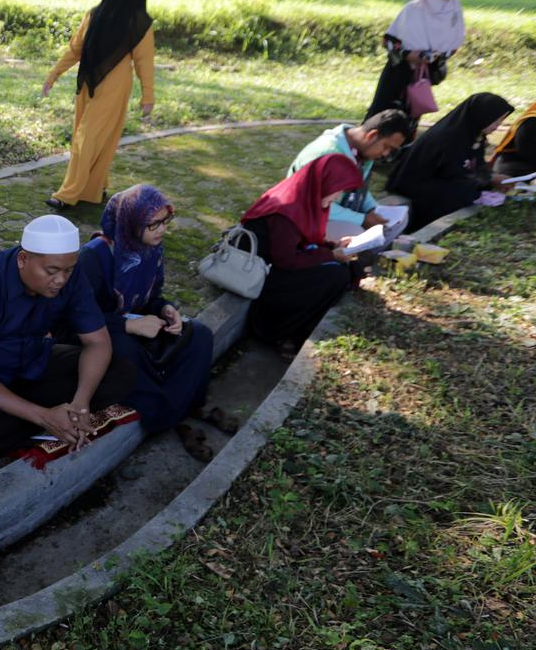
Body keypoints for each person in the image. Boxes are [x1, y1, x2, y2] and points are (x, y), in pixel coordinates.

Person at [0, 214, 135, 452]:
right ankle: (45, 417)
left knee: (121, 371)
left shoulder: (72, 277)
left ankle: (48, 415)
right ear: (23, 259)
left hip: (32, 360)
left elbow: (98, 342)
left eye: (68, 270)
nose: (60, 280)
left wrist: (81, 403)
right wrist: (43, 416)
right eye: (51, 271)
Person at [75, 186, 215, 456]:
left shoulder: (151, 250)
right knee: (124, 351)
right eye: (153, 224)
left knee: (199, 334)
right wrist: (127, 325)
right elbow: (74, 318)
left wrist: (165, 309)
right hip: (102, 334)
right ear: (131, 222)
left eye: (165, 221)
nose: (161, 230)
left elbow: (150, 297)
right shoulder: (95, 257)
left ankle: (174, 407)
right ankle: (175, 416)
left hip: (139, 326)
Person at [43, 0, 156, 210]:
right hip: (87, 84)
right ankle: (94, 187)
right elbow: (75, 50)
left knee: (87, 138)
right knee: (88, 139)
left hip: (114, 89)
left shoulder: (139, 23)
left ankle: (67, 195)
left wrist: (147, 96)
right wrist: (53, 75)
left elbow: (144, 63)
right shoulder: (95, 14)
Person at [241, 153, 365, 351]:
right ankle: (281, 332)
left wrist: (333, 247)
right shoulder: (287, 209)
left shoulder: (306, 197)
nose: (338, 197)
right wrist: (330, 255)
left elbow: (305, 240)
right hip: (261, 274)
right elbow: (286, 260)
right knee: (335, 275)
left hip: (276, 263)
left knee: (348, 266)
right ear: (323, 183)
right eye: (338, 190)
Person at [387, 93, 514, 232]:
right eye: (496, 121)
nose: (497, 126)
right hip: (418, 184)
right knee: (461, 192)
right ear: (483, 116)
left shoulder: (474, 134)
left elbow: (476, 164)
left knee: (470, 189)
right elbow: (453, 172)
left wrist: (490, 177)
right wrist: (488, 178)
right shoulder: (450, 138)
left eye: (501, 121)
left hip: (444, 180)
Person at [287, 109, 412, 245]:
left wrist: (372, 209)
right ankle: (351, 261)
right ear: (372, 135)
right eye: (386, 147)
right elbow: (316, 205)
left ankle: (364, 259)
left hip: (338, 211)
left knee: (398, 221)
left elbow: (359, 188)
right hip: (305, 218)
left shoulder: (363, 151)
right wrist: (362, 219)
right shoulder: (328, 153)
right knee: (356, 234)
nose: (385, 154)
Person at [367, 0, 465, 138]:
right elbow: (389, 40)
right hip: (399, 71)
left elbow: (454, 44)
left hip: (423, 74)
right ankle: (369, 150)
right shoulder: (413, 9)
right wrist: (408, 55)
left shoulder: (454, 12)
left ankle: (399, 153)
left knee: (411, 112)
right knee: (383, 109)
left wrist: (435, 57)